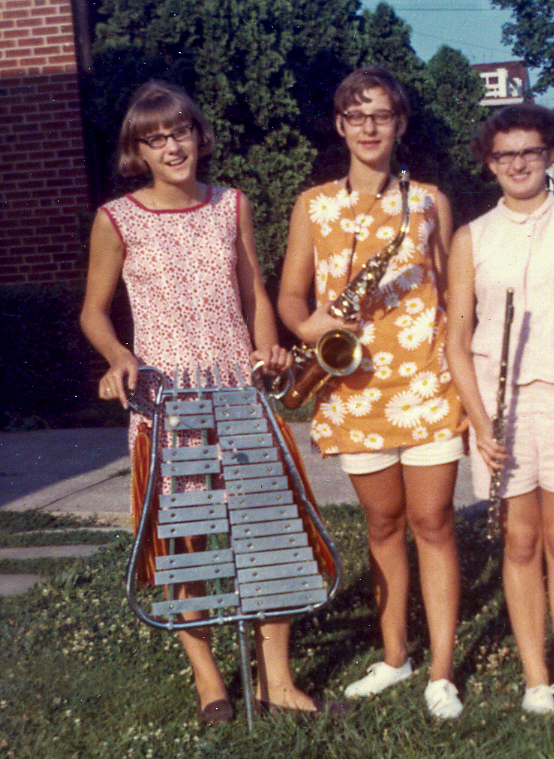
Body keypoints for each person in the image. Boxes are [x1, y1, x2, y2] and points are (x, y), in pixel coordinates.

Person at [80, 80, 332, 723]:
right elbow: (93, 313)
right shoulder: (117, 218)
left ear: (200, 135)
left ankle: (277, 680)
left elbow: (254, 291)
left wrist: (267, 348)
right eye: (155, 138)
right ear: (137, 151)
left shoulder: (231, 204)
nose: (172, 147)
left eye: (181, 132)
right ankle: (208, 681)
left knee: (268, 530)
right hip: (167, 404)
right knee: (186, 540)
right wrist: (119, 357)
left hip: (235, 391)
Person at [278, 67, 466, 719]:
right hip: (352, 385)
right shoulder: (314, 205)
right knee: (383, 523)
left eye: (381, 115)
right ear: (339, 125)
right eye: (355, 116)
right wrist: (312, 327)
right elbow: (291, 297)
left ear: (400, 123)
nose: (368, 127)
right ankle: (395, 657)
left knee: (434, 522)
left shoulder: (431, 200)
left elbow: (453, 293)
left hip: (426, 381)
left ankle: (441, 671)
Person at [446, 103, 554, 714]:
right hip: (501, 408)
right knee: (520, 542)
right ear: (489, 163)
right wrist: (479, 420)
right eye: (504, 154)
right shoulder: (471, 237)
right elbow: (456, 341)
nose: (518, 164)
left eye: (530, 152)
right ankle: (534, 678)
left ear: (549, 156)